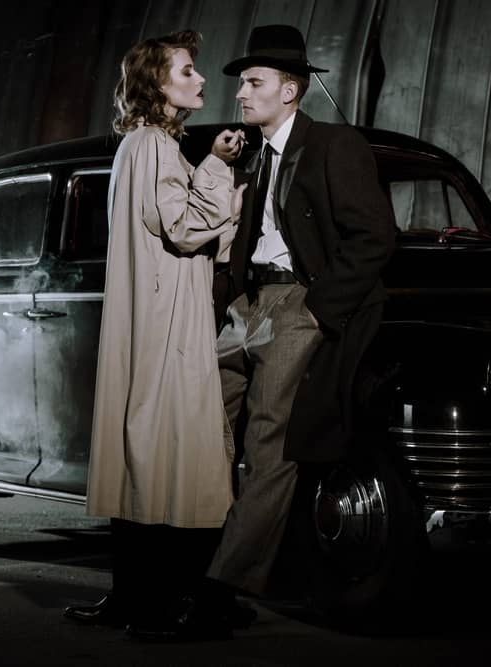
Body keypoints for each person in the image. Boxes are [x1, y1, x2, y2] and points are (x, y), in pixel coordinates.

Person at [61, 29, 248, 639]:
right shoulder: (159, 148)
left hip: (151, 317)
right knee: (183, 455)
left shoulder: (140, 146)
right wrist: (218, 167)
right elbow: (186, 229)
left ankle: (133, 598)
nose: (200, 80)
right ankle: (171, 603)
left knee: (144, 452)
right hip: (170, 324)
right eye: (188, 71)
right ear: (157, 84)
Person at [204, 24, 396, 609]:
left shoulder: (335, 144)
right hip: (246, 306)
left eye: (253, 83)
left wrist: (314, 309)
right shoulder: (256, 155)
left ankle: (224, 584)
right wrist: (230, 299)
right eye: (243, 83)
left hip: (296, 304)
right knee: (197, 425)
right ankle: (193, 558)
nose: (240, 93)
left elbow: (374, 237)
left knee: (271, 444)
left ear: (290, 91)